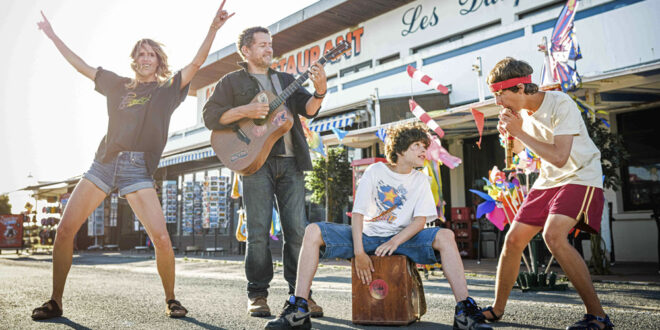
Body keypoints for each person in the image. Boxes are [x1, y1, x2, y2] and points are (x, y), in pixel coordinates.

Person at [31, 2, 234, 320]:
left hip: (138, 168)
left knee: (161, 238)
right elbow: (81, 66)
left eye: (150, 53)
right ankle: (55, 300)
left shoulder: (167, 90)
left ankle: (171, 299)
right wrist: (53, 36)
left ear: (158, 61)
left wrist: (212, 29)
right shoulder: (117, 85)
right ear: (133, 59)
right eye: (140, 53)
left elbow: (196, 62)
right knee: (65, 229)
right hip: (105, 162)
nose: (144, 58)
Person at [265, 123, 491, 330]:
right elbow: (358, 213)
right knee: (313, 230)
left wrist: (394, 241)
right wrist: (359, 251)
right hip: (367, 236)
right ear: (401, 150)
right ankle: (299, 308)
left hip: (403, 240)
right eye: (417, 146)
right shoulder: (375, 171)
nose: (424, 151)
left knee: (446, 235)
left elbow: (420, 221)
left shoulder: (422, 179)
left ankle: (464, 310)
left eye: (425, 146)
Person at [202, 26, 326, 318]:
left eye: (270, 45)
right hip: (253, 162)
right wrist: (246, 110)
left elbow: (307, 108)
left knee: (297, 232)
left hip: (291, 162)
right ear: (246, 50)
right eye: (262, 45)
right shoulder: (231, 82)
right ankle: (257, 294)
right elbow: (210, 117)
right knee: (257, 233)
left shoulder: (284, 80)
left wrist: (320, 91)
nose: (269, 50)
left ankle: (301, 295)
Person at [482, 57, 614, 330]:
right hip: (548, 180)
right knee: (513, 239)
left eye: (500, 94)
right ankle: (496, 310)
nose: (497, 102)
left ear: (520, 88)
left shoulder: (559, 103)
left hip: (579, 174)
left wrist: (519, 131)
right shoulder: (520, 113)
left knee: (553, 235)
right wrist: (510, 134)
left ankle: (598, 317)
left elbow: (559, 156)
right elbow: (518, 152)